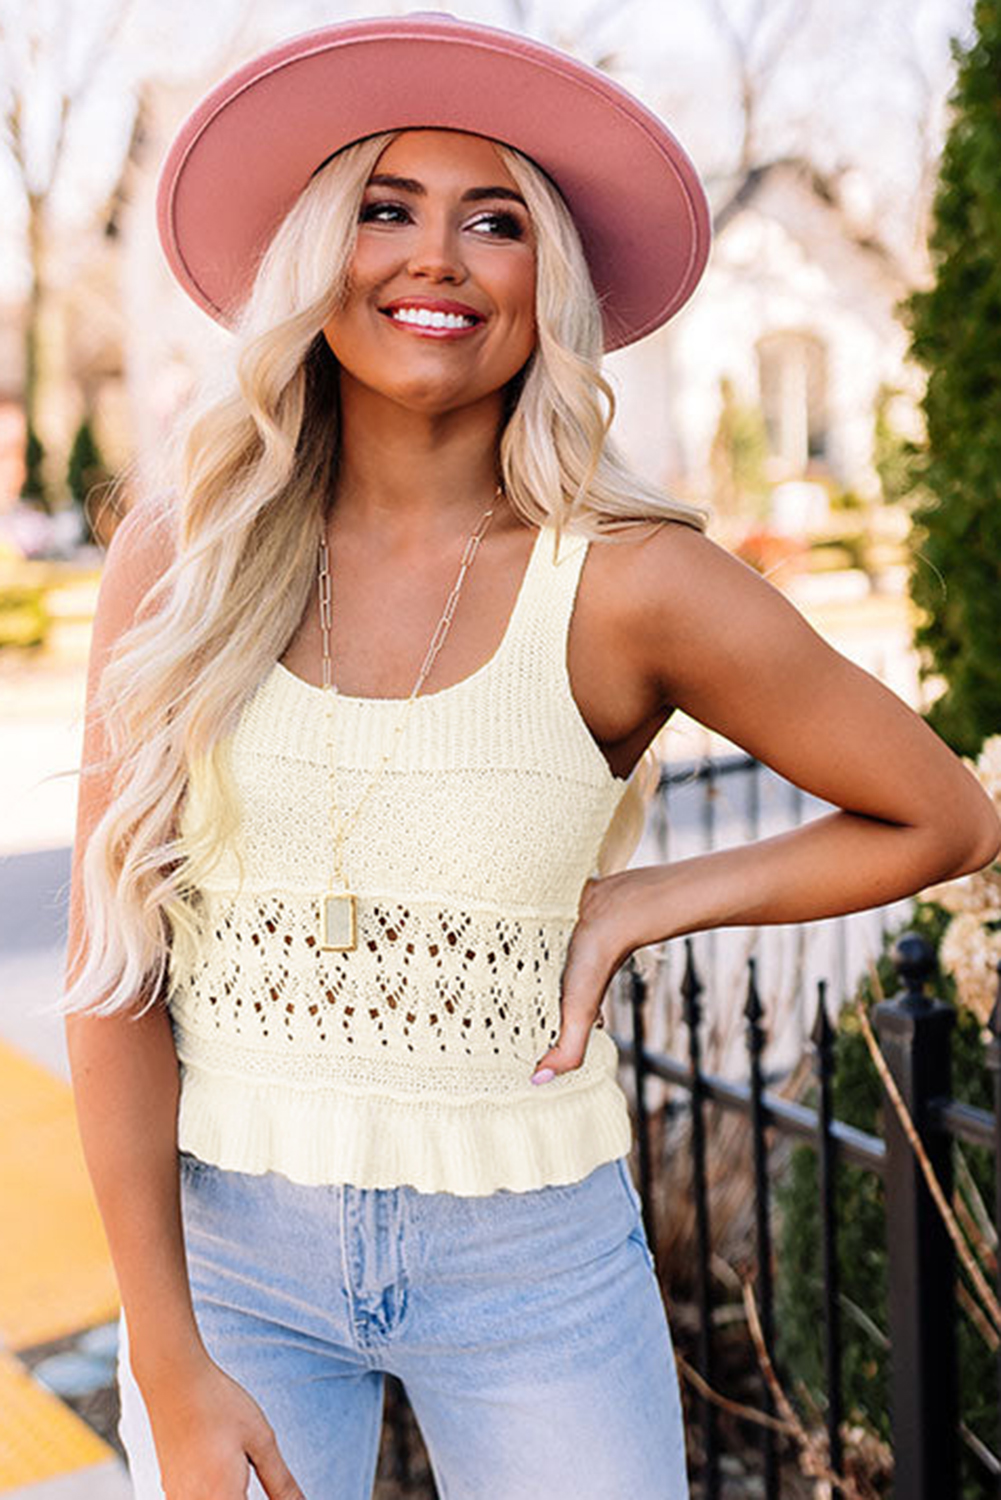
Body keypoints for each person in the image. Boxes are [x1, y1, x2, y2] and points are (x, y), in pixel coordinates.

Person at [59, 13, 1000, 1500]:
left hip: (534, 1269)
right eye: (387, 209)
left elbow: (941, 814)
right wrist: (168, 1356)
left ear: (542, 286)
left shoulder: (629, 582)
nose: (435, 258)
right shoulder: (185, 561)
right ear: (321, 256)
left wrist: (642, 903)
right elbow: (112, 978)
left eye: (494, 221)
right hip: (232, 1265)